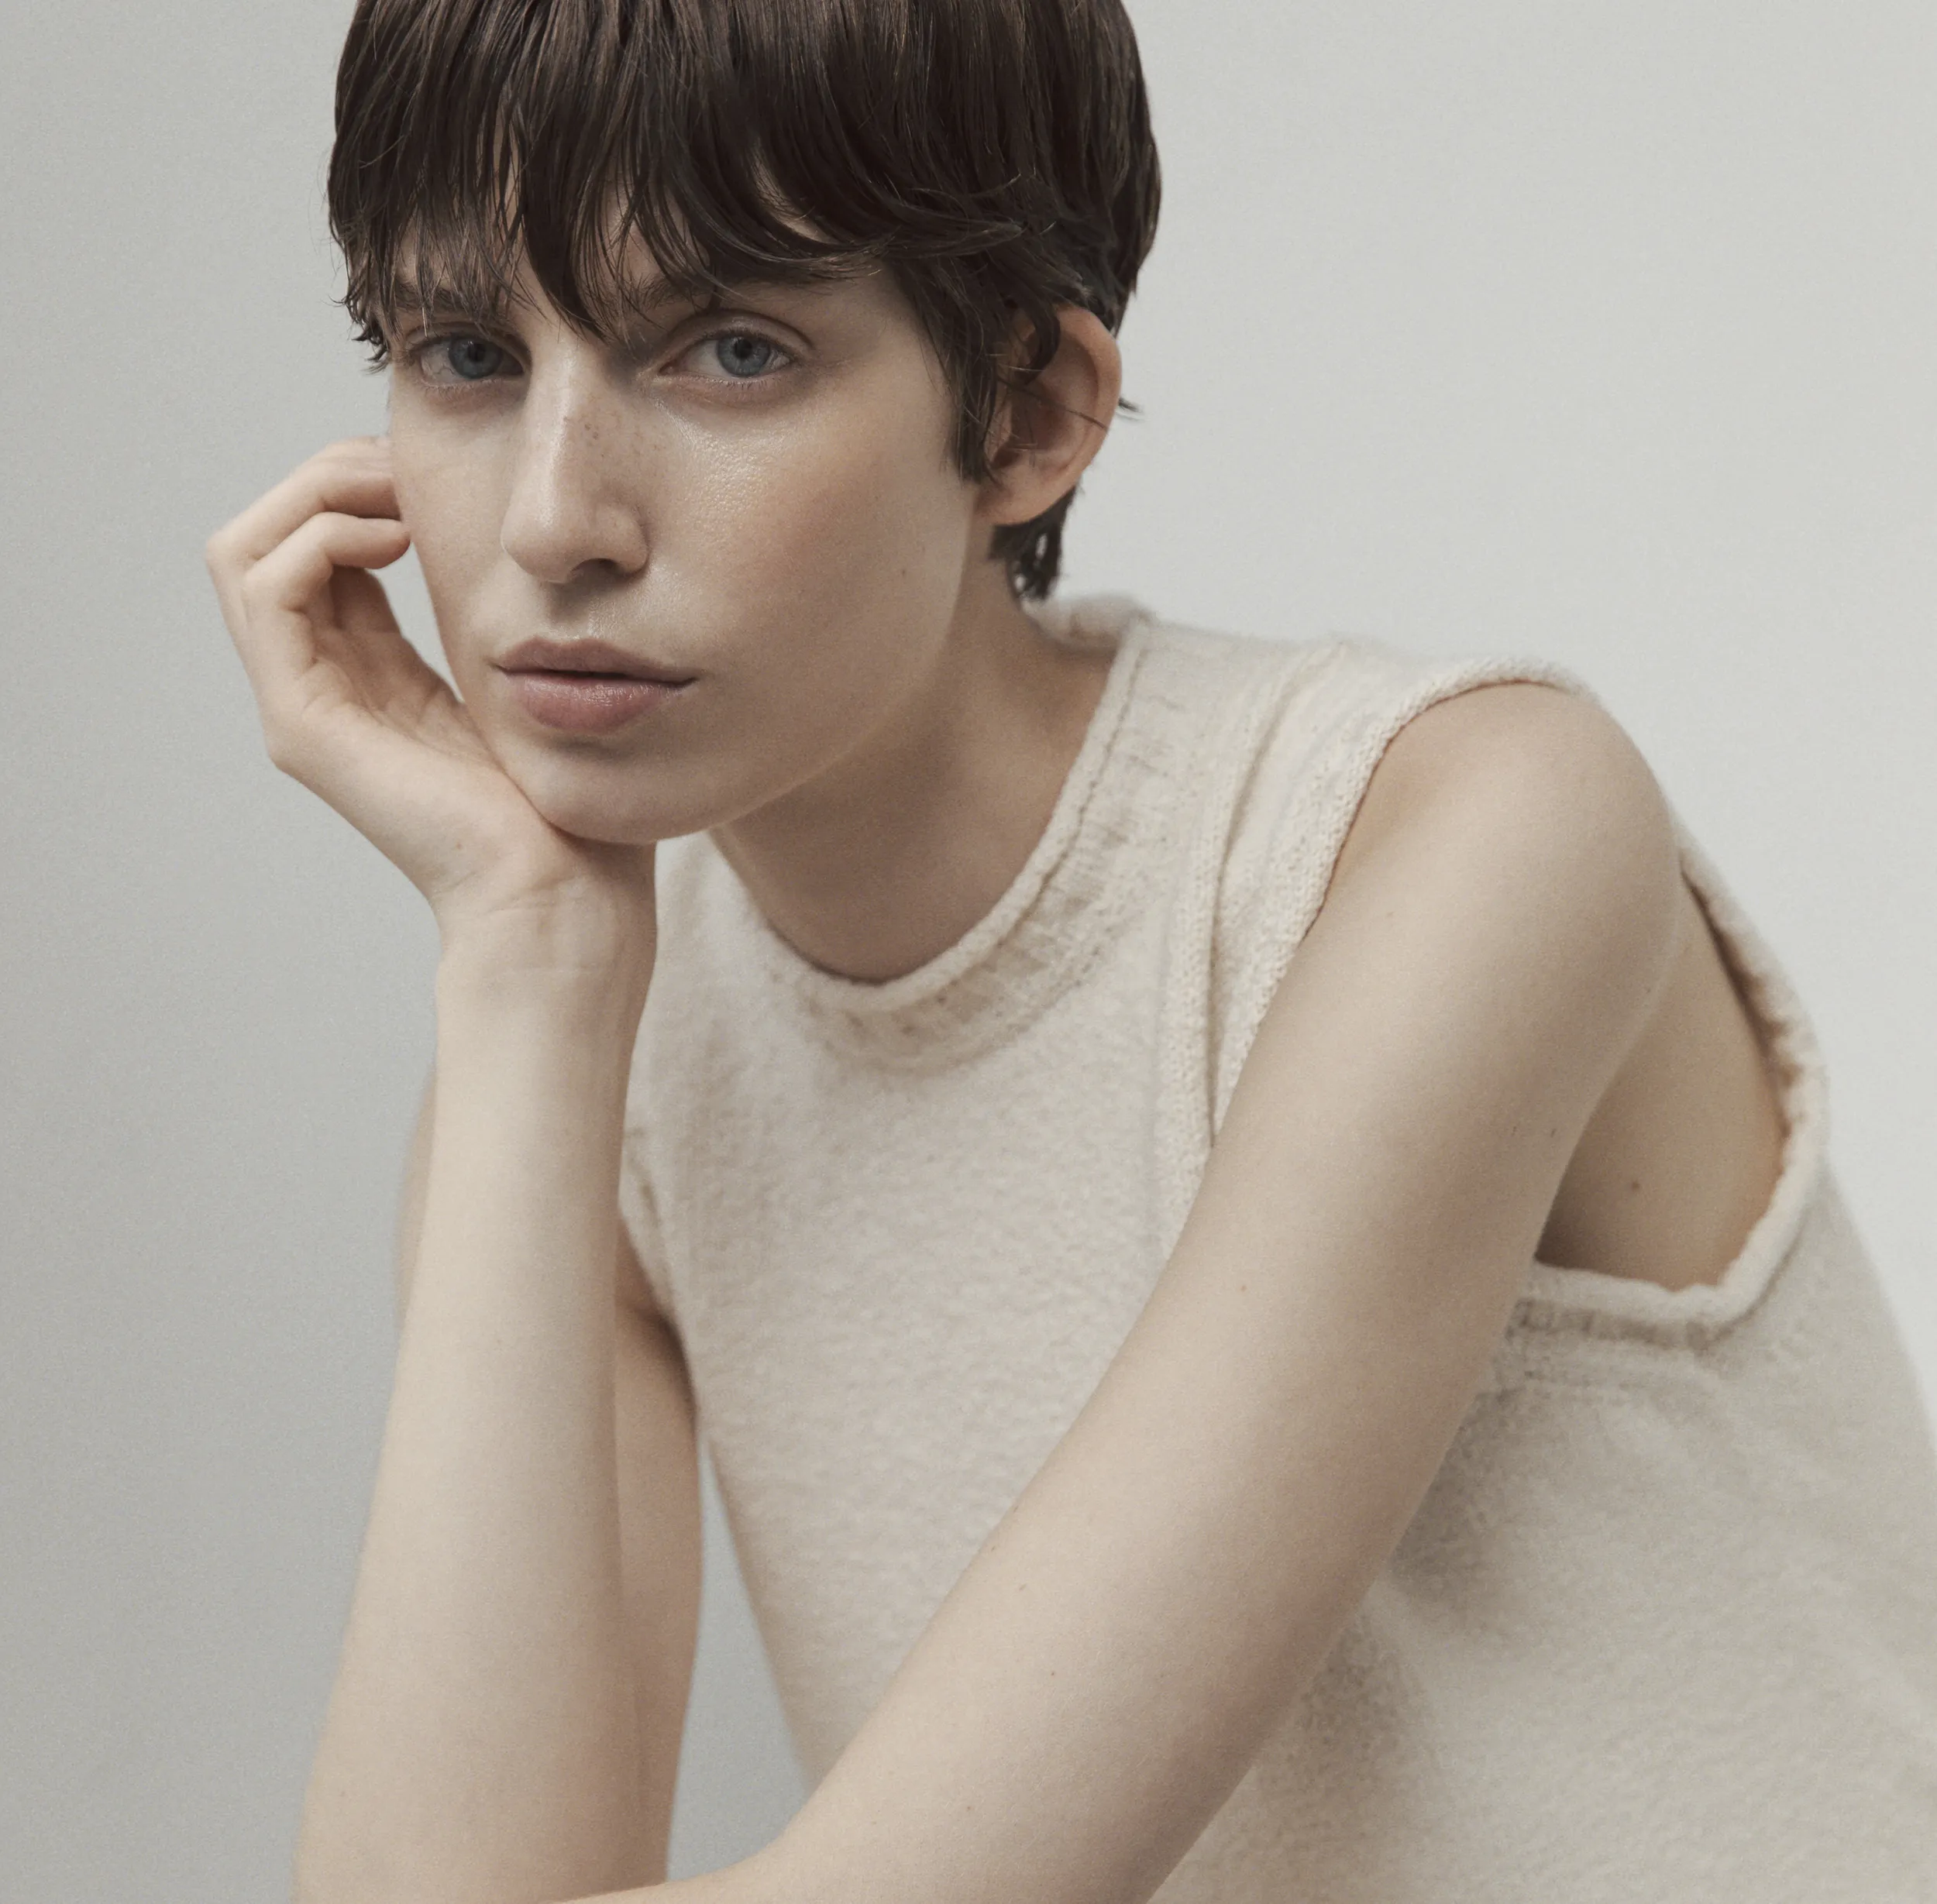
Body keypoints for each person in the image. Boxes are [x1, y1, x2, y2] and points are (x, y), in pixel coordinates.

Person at [204, 2, 1937, 1900]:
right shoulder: (585, 1046)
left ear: (1027, 412)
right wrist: (525, 961)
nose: (552, 520)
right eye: (462, 353)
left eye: (727, 350)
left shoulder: (1456, 835)